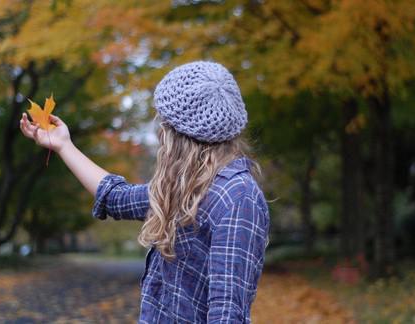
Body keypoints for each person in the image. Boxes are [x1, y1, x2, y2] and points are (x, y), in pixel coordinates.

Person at [19, 61, 270, 323]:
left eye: (163, 121)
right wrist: (63, 145)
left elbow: (227, 315)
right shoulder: (186, 187)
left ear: (178, 133)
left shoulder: (238, 199)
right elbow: (116, 197)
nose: (159, 129)